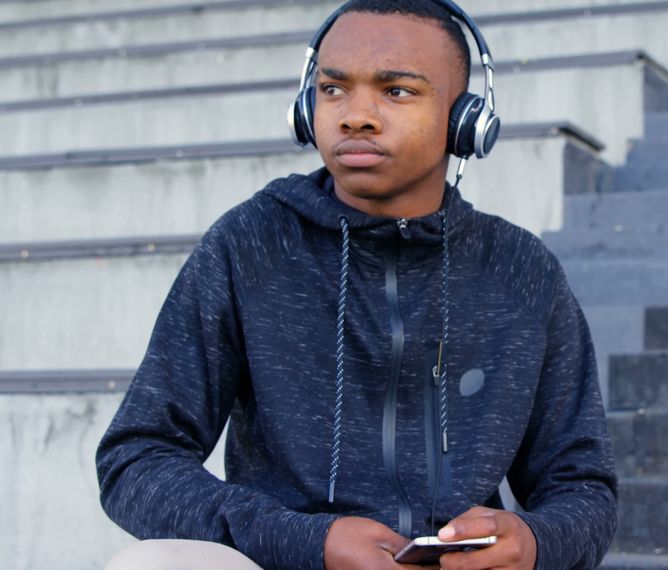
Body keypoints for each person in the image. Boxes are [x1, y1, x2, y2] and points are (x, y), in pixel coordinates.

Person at [94, 1, 618, 569]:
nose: (355, 115)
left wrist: (535, 541)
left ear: (464, 120)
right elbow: (136, 459)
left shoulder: (522, 270)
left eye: (396, 91)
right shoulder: (251, 243)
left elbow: (583, 486)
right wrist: (303, 541)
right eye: (334, 89)